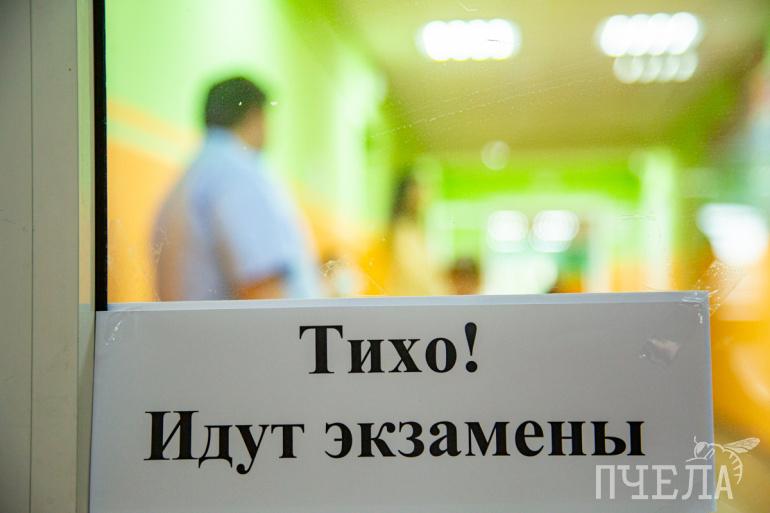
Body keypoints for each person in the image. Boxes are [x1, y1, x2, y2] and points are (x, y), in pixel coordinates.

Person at [154, 76, 320, 300]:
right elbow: (262, 283)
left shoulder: (191, 176)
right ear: (255, 116)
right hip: (249, 323)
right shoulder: (237, 172)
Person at [386, 173, 447, 296]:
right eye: (416, 192)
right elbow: (412, 271)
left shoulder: (417, 230)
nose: (422, 197)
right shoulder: (401, 231)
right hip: (408, 297)